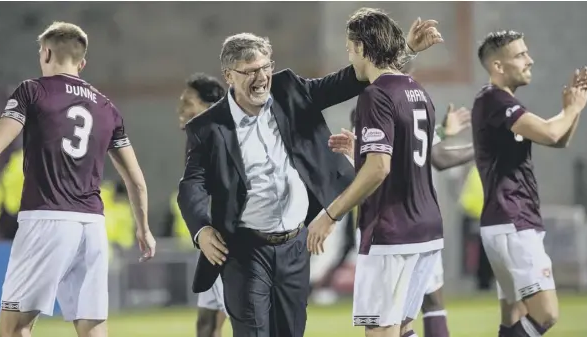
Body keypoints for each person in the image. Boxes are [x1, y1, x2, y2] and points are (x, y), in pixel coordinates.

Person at [178, 19, 441, 337]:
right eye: (250, 71)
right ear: (229, 76)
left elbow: (349, 80)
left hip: (294, 246)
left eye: (266, 67)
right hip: (245, 250)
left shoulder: (288, 89)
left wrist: (407, 49)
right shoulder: (206, 127)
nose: (262, 78)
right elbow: (191, 184)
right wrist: (202, 229)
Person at [0, 21, 156, 337]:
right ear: (82, 63)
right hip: (93, 227)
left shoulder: (33, 91)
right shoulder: (108, 107)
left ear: (46, 52)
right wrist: (144, 228)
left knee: (14, 327)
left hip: (47, 219)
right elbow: (136, 180)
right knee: (92, 328)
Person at [307, 8, 444, 337]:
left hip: (390, 232)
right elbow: (402, 163)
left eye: (349, 48)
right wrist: (361, 153)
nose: (349, 56)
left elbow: (379, 169)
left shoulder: (375, 95)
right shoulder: (417, 91)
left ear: (362, 48)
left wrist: (330, 214)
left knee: (381, 331)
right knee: (404, 328)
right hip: (426, 230)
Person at [472, 30, 587, 337]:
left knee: (515, 318)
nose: (530, 60)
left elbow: (558, 140)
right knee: (546, 314)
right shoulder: (495, 101)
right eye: (521, 55)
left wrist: (575, 108)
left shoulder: (500, 103)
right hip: (513, 222)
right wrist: (572, 109)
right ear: (498, 66)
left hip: (507, 224)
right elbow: (551, 132)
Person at [330, 101, 473, 337]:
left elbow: (378, 174)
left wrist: (329, 217)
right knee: (413, 316)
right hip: (421, 229)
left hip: (386, 235)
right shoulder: (391, 130)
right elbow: (428, 152)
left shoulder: (373, 137)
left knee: (383, 326)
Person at [177, 73, 229, 337]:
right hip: (209, 238)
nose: (181, 109)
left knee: (244, 319)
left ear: (209, 106)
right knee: (206, 324)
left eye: (188, 102)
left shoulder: (221, 137)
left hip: (226, 241)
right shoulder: (198, 140)